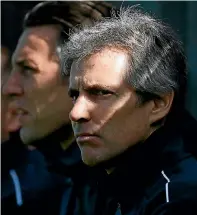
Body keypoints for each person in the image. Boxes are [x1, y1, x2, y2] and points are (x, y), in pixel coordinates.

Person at [61, 7, 197, 214]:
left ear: (158, 104)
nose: (76, 113)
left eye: (101, 93)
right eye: (74, 95)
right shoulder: (106, 187)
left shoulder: (179, 199)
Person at [2, 1, 116, 214]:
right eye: (11, 70)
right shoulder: (70, 179)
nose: (9, 88)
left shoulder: (154, 191)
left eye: (27, 69)